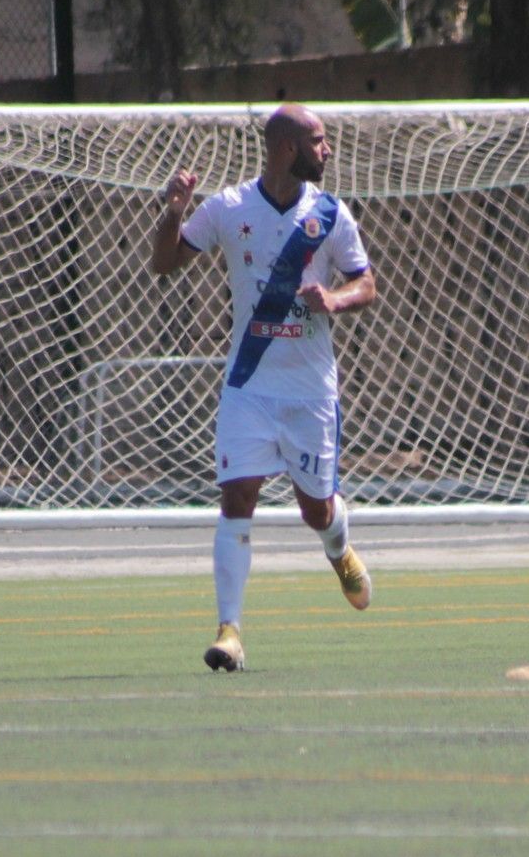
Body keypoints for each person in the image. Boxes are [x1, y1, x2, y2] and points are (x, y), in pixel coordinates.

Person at [150, 103, 376, 671]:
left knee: (316, 512)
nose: (328, 151)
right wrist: (173, 212)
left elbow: (366, 282)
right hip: (248, 386)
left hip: (309, 392)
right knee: (236, 499)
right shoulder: (228, 207)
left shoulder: (330, 214)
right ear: (286, 149)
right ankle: (229, 633)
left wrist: (336, 299)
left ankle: (338, 546)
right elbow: (164, 262)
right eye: (319, 141)